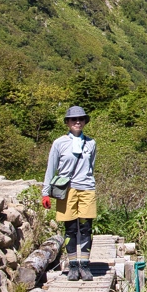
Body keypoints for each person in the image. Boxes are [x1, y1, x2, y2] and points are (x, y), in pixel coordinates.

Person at [41, 106, 97, 282]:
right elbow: (51, 168)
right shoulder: (59, 143)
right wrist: (45, 192)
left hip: (87, 188)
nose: (77, 122)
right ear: (67, 122)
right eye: (73, 120)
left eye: (80, 119)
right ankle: (73, 266)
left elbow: (91, 167)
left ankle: (85, 265)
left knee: (86, 228)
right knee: (70, 229)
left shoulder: (91, 143)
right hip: (67, 190)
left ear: (85, 122)